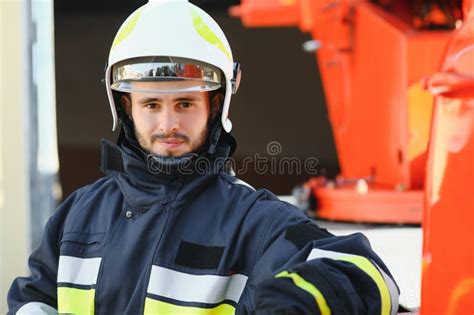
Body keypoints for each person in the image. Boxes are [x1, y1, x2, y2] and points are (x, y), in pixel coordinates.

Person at [7, 0, 400, 314]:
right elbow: (33, 298)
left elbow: (372, 275)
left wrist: (305, 298)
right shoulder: (78, 215)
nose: (168, 124)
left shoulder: (253, 223)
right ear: (124, 106)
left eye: (184, 103)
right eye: (150, 105)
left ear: (216, 104)